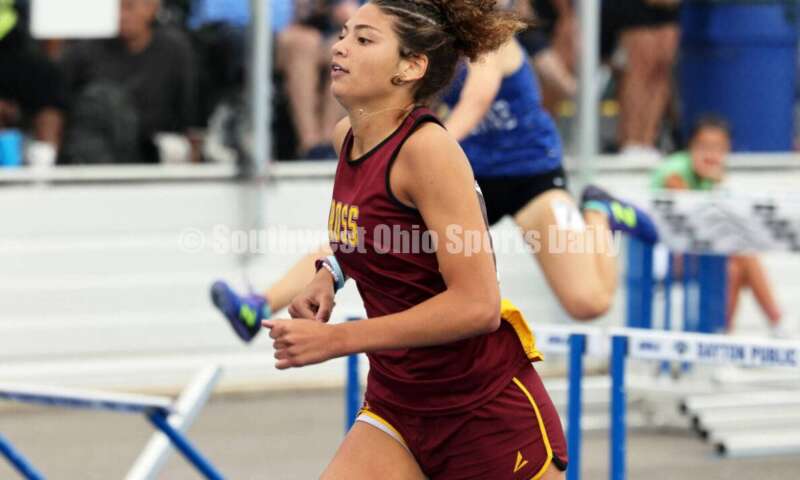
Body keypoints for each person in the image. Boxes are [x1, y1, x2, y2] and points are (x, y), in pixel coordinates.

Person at [211, 5, 660, 343]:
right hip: (466, 180)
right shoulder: (420, 47)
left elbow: (474, 105)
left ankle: (600, 211)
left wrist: (423, 150)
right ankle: (259, 306)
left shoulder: (492, 46)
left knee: (588, 303)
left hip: (528, 179)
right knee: (363, 228)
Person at [652, 116, 787, 337]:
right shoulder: (674, 170)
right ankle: (773, 323)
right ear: (691, 146)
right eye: (704, 146)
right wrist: (715, 184)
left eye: (718, 147)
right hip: (661, 259)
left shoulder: (713, 179)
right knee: (743, 256)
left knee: (735, 269)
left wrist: (716, 185)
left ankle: (721, 337)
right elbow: (692, 217)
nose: (710, 153)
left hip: (698, 254)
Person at [59, 0, 197, 163]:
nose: (121, 15)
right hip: (93, 156)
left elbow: (190, 115)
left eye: (128, 6)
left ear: (152, 7)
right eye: (115, 7)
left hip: (156, 154)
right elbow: (59, 108)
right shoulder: (83, 52)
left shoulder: (175, 50)